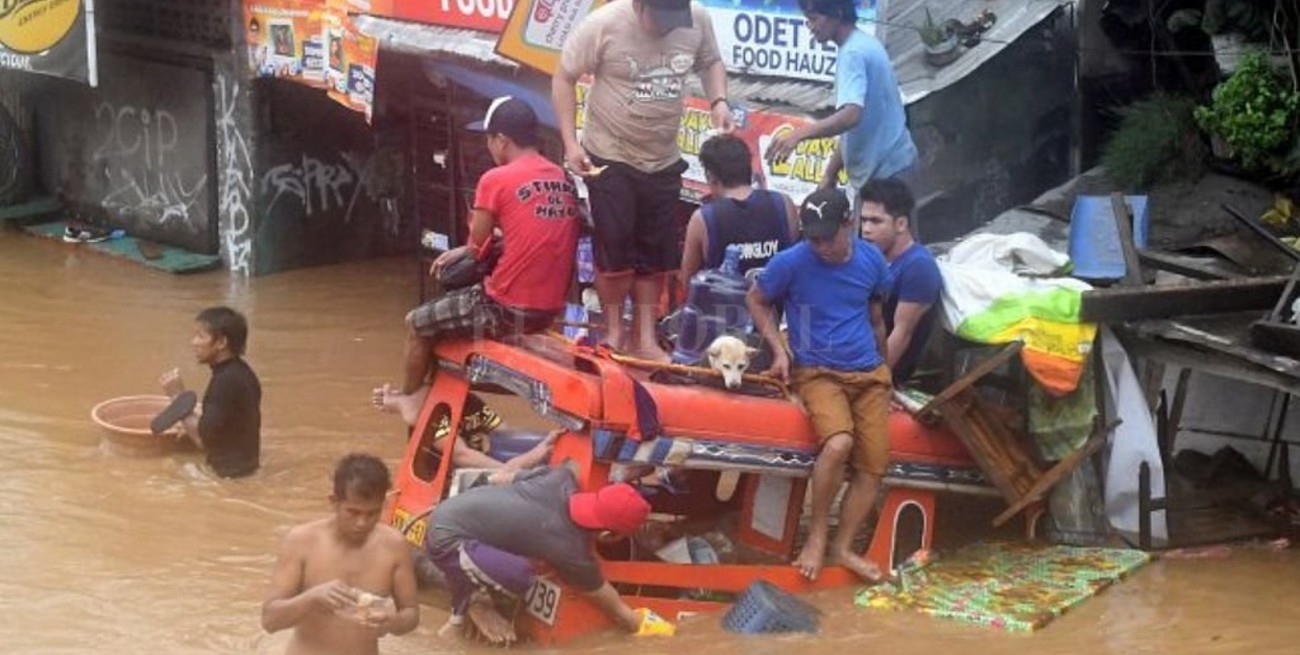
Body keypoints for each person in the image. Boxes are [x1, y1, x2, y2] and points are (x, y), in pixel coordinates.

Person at [374, 96, 579, 424]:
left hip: (503, 307)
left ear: (502, 140)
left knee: (416, 322)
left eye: (488, 139)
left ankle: (409, 397)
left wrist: (468, 248)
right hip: (550, 308)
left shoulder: (494, 179)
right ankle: (447, 407)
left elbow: (478, 244)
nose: (488, 147)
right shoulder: (561, 178)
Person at [553, 0, 734, 361]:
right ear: (638, 6)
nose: (667, 27)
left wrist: (719, 102)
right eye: (659, 18)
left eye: (673, 19)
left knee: (654, 253)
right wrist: (571, 143)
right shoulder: (603, 24)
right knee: (615, 249)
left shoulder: (696, 19)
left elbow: (711, 61)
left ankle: (646, 338)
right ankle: (616, 332)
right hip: (610, 154)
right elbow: (563, 77)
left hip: (662, 157)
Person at [745, 188, 892, 582]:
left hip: (870, 373)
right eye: (814, 237)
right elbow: (756, 300)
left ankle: (843, 548)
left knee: (872, 469)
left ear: (849, 224)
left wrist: (887, 371)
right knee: (839, 442)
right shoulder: (791, 262)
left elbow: (877, 319)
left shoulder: (872, 260)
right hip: (818, 372)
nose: (822, 245)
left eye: (829, 236)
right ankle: (817, 535)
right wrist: (778, 350)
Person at [425, 464, 654, 644]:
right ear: (607, 534)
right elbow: (618, 611)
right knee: (521, 574)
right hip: (446, 541)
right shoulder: (571, 551)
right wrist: (657, 632)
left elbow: (502, 477)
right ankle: (475, 602)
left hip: (450, 509)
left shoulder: (561, 478)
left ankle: (458, 619)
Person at [262, 454, 420, 655]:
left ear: (384, 505)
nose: (362, 523)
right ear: (334, 502)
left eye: (372, 513)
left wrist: (390, 624)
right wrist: (312, 598)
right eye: (353, 512)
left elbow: (411, 614)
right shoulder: (302, 541)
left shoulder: (394, 545)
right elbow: (270, 620)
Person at [764, 0, 916, 201]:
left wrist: (798, 135)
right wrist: (831, 173)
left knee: (879, 230)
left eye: (814, 19)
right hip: (895, 165)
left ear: (836, 14)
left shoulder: (852, 54)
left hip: (886, 173)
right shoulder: (864, 43)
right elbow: (853, 127)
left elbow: (851, 115)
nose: (809, 26)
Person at [680, 134, 799, 283]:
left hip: (722, 304)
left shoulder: (702, 219)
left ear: (710, 176)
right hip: (777, 304)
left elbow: (688, 281)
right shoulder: (784, 203)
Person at [159, 306, 261, 478]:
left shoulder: (224, 382)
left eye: (201, 336)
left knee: (163, 469)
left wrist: (178, 398)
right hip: (247, 467)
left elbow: (202, 440)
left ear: (221, 343)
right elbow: (226, 426)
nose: (194, 342)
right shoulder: (243, 372)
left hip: (227, 477)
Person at [858, 179, 942, 386]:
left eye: (876, 221)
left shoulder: (918, 266)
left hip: (878, 372)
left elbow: (902, 333)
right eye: (863, 220)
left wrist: (869, 383)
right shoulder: (871, 256)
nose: (866, 229)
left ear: (901, 224)